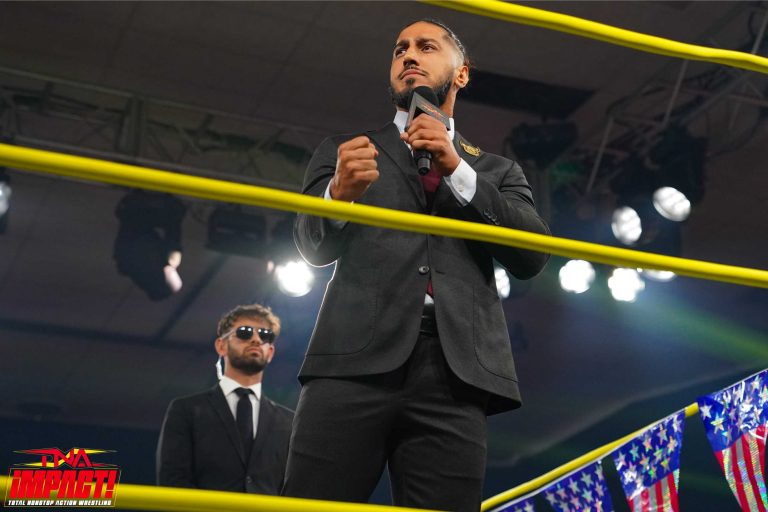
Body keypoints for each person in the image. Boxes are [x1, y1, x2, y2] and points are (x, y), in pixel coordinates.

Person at [282, 18, 551, 511]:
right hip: (352, 363)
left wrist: (458, 170)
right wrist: (338, 195)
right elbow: (310, 247)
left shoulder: (496, 170)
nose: (408, 55)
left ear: (462, 73)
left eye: (426, 47)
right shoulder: (347, 153)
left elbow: (532, 256)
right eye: (399, 49)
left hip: (456, 374)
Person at [156, 304, 293, 495]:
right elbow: (173, 480)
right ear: (221, 346)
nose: (256, 339)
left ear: (270, 352)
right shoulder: (186, 410)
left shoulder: (289, 421)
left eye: (265, 335)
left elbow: (294, 486)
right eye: (245, 332)